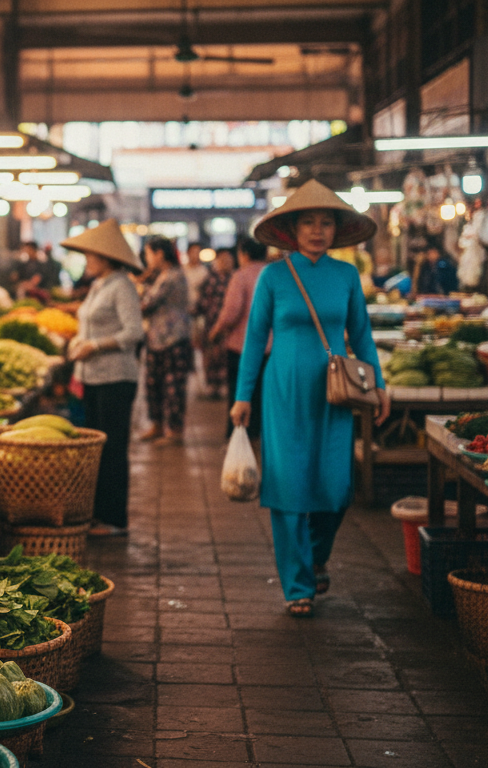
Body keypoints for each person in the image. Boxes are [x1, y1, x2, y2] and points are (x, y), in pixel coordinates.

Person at [231, 179, 390, 618]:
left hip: (335, 394)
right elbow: (255, 338)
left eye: (325, 222)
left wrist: (377, 383)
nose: (317, 230)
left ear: (337, 230)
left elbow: (360, 333)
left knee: (335, 488)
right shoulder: (273, 277)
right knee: (287, 486)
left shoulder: (345, 276)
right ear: (292, 230)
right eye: (308, 223)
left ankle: (317, 556)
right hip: (282, 392)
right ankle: (297, 584)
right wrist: (243, 395)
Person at [61, 220, 145, 537]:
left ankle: (114, 520)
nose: (87, 260)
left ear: (106, 257)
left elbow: (133, 332)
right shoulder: (100, 284)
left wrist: (94, 346)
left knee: (112, 449)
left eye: (90, 256)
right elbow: (90, 325)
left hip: (115, 378)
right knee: (96, 448)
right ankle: (96, 514)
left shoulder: (122, 286)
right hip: (93, 378)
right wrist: (77, 342)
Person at [211, 236, 269, 439]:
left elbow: (231, 312)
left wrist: (215, 332)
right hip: (272, 349)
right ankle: (261, 437)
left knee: (241, 395)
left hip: (241, 347)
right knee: (264, 396)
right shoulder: (274, 275)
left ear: (243, 254)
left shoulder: (241, 276)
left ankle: (240, 437)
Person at [139, 236, 193, 446]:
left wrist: (139, 287)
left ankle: (175, 432)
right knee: (154, 385)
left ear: (159, 253)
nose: (147, 258)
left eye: (148, 253)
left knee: (173, 387)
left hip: (174, 339)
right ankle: (158, 425)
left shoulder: (173, 277)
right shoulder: (162, 275)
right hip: (157, 339)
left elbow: (148, 304)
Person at [193, 248, 235, 399]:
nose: (225, 263)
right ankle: (212, 386)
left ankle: (223, 386)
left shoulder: (235, 278)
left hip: (231, 328)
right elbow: (201, 303)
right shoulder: (210, 280)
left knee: (225, 357)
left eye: (228, 260)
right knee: (211, 357)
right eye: (222, 260)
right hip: (211, 325)